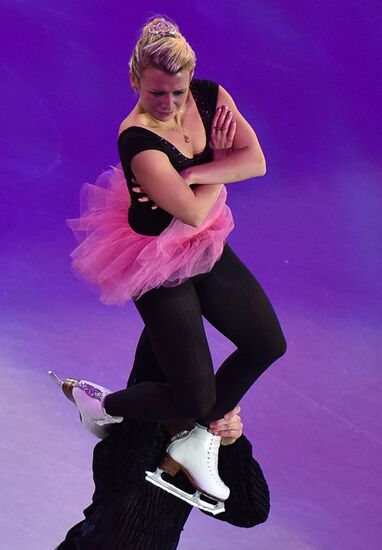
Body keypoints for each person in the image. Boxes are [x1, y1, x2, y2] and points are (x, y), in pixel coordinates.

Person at [52, 15, 286, 521]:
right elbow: (194, 209)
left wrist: (203, 167)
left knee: (268, 342)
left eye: (177, 92)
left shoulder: (208, 95)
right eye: (157, 92)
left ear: (190, 81)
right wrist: (224, 160)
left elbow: (257, 161)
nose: (169, 104)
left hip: (201, 244)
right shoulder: (136, 140)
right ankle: (104, 406)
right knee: (196, 392)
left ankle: (198, 439)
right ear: (135, 80)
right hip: (153, 254)